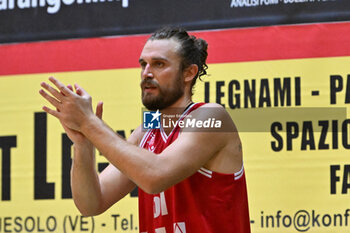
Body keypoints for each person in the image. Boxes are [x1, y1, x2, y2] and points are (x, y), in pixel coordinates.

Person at [39, 27, 251, 233]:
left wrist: (88, 122)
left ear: (188, 73)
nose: (147, 73)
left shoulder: (212, 117)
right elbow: (91, 204)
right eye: (143, 64)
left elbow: (154, 176)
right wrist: (83, 144)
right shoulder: (147, 129)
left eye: (159, 64)